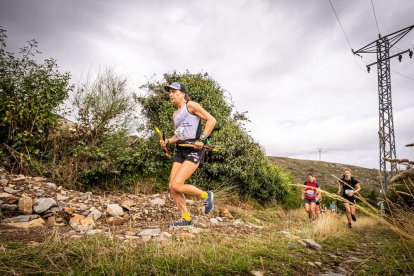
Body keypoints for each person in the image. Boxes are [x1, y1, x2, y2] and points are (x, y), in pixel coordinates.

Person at [160, 82, 216, 227]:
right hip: (180, 149)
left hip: (194, 148)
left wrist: (202, 138)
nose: (171, 94)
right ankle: (186, 218)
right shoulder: (175, 114)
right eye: (169, 92)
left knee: (178, 184)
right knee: (172, 187)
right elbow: (178, 135)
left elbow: (212, 120)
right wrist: (167, 141)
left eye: (174, 91)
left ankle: (205, 195)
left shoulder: (191, 106)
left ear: (183, 94)